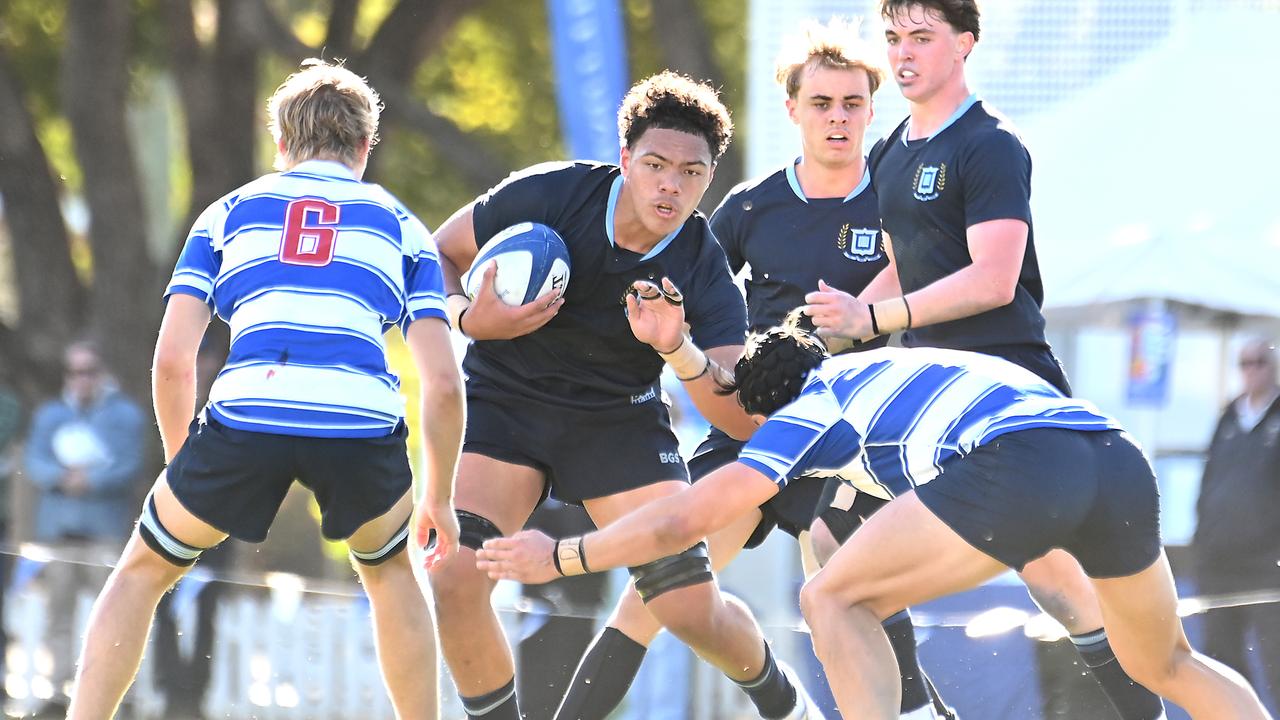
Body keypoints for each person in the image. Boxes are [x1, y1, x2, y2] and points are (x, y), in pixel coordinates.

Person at [476, 320, 1273, 720]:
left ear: (766, 410)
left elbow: (683, 516)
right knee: (1167, 662)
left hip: (1023, 463)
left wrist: (564, 555)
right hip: (1112, 454)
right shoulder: (881, 371)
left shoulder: (807, 410)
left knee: (831, 598)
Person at [553, 21, 950, 720]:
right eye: (821, 102)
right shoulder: (747, 208)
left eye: (852, 104)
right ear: (792, 108)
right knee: (660, 584)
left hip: (855, 436)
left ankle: (919, 713)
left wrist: (841, 328)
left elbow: (930, 286)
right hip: (756, 424)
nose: (837, 118)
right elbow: (681, 291)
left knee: (835, 563)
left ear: (871, 110)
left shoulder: (901, 199)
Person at [65, 59, 465, 720]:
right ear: (366, 145)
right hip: (358, 424)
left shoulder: (227, 213)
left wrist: (183, 464)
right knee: (392, 574)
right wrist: (440, 498)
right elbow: (445, 384)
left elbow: (171, 360)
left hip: (247, 412)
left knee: (141, 573)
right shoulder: (403, 226)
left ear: (280, 143)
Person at [802, 2, 1166, 717]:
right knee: (827, 538)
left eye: (923, 38)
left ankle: (1145, 709)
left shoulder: (992, 143)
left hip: (1007, 393)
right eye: (894, 38)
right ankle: (918, 711)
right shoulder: (891, 150)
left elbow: (992, 278)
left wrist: (872, 319)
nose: (903, 54)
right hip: (928, 398)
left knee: (1059, 585)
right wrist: (823, 334)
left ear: (965, 44)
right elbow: (911, 268)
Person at [425, 71, 824, 720]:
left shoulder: (702, 267)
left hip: (617, 422)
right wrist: (469, 317)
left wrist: (677, 348)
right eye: (656, 165)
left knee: (687, 609)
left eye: (691, 173)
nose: (671, 184)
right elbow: (439, 253)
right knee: (452, 576)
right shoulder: (554, 192)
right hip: (507, 401)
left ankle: (787, 706)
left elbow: (739, 417)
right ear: (624, 160)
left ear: (708, 179)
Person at [22, 340, 145, 716]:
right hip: (59, 532)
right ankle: (58, 693)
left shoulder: (125, 416)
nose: (81, 379)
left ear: (102, 372)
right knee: (58, 614)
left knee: (113, 619)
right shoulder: (51, 415)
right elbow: (35, 461)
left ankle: (120, 696)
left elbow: (128, 464)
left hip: (104, 533)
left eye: (89, 371)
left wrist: (91, 482)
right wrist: (62, 477)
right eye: (74, 372)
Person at [1192, 338, 1280, 705]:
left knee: (1275, 659)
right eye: (1243, 363)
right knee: (1221, 663)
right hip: (1219, 561)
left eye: (1258, 361)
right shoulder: (1228, 415)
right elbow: (1210, 479)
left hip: (1267, 567)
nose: (1250, 370)